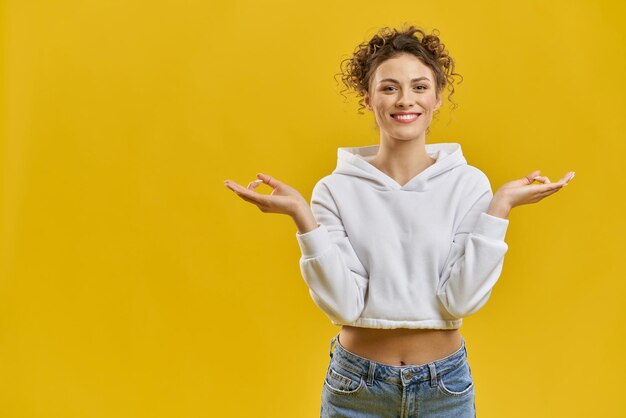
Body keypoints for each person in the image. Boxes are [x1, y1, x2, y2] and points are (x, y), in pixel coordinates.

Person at [224, 25, 574, 418]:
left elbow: (459, 300)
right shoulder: (335, 189)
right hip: (355, 386)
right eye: (389, 87)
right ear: (367, 98)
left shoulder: (469, 184)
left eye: (419, 87)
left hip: (445, 386)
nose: (405, 100)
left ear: (438, 97)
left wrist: (501, 207)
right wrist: (303, 218)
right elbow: (343, 306)